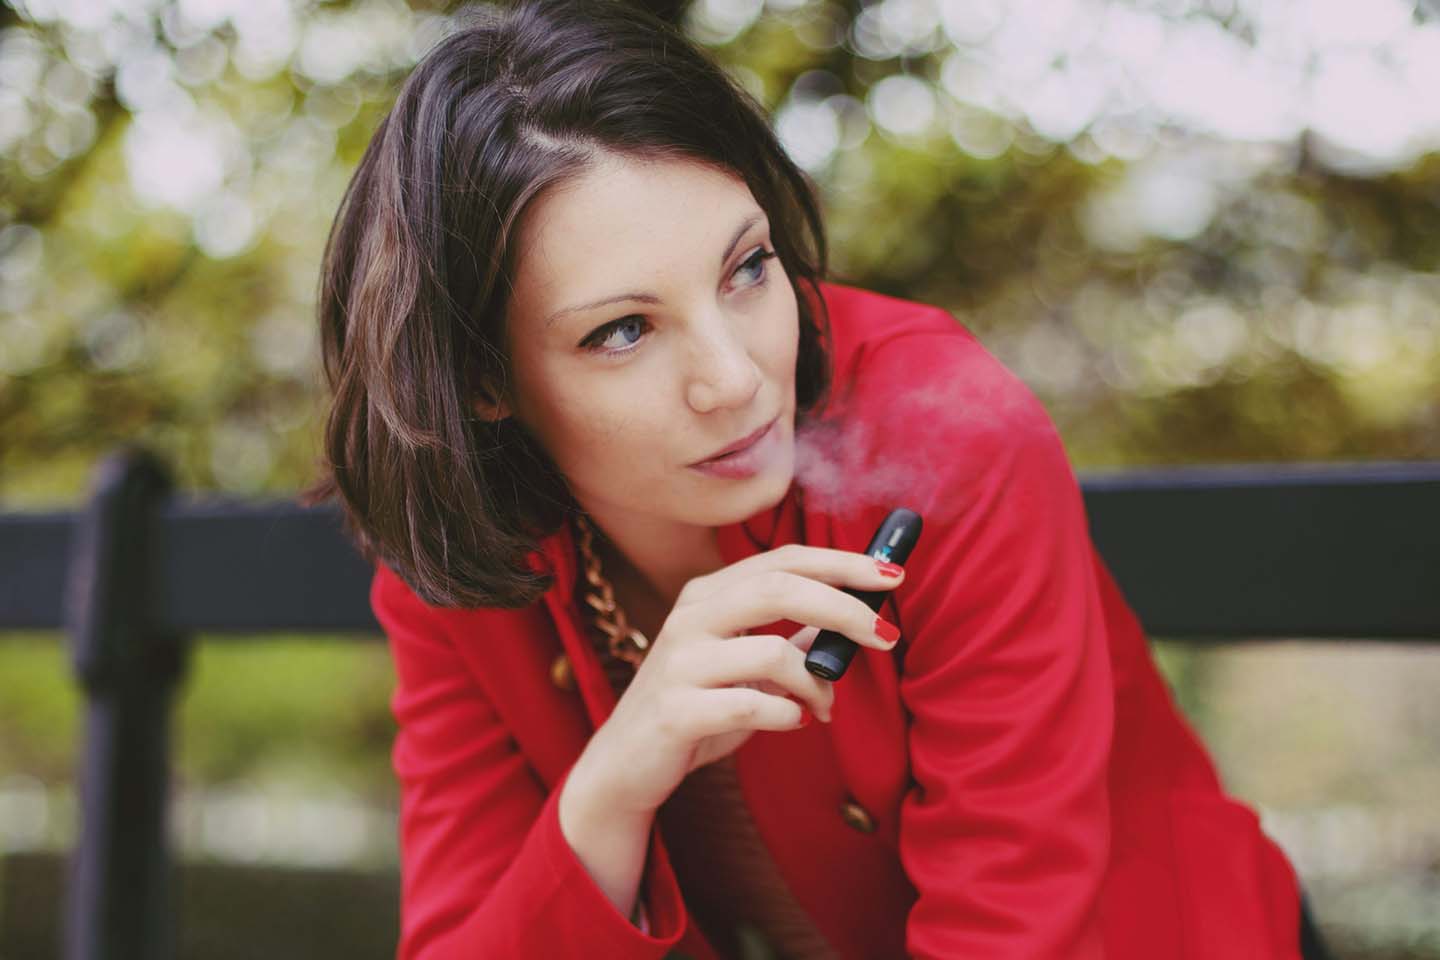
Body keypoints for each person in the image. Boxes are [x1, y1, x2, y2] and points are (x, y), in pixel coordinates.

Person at [306, 0, 1318, 957]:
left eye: (748, 268)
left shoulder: (953, 439)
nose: (736, 378)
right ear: (484, 381)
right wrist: (610, 787)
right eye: (624, 330)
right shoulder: (463, 556)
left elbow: (1012, 930)